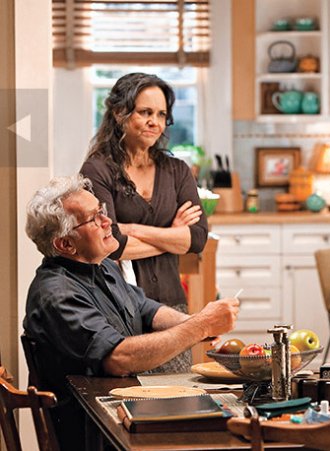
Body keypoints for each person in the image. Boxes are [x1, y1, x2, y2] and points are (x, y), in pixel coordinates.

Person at [23, 174, 239, 451]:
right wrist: (201, 326)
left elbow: (145, 309)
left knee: (228, 411)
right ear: (65, 244)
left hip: (125, 411)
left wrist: (196, 323)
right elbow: (119, 358)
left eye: (101, 210)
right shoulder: (56, 295)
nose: (107, 221)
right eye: (93, 219)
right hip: (97, 433)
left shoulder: (102, 265)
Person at [80, 72, 205, 373]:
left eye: (161, 114)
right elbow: (111, 245)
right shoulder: (98, 170)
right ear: (119, 113)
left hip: (171, 306)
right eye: (145, 112)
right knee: (128, 395)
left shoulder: (177, 170)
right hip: (118, 308)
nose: (155, 122)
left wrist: (133, 230)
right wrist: (172, 236)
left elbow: (197, 238)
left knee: (178, 393)